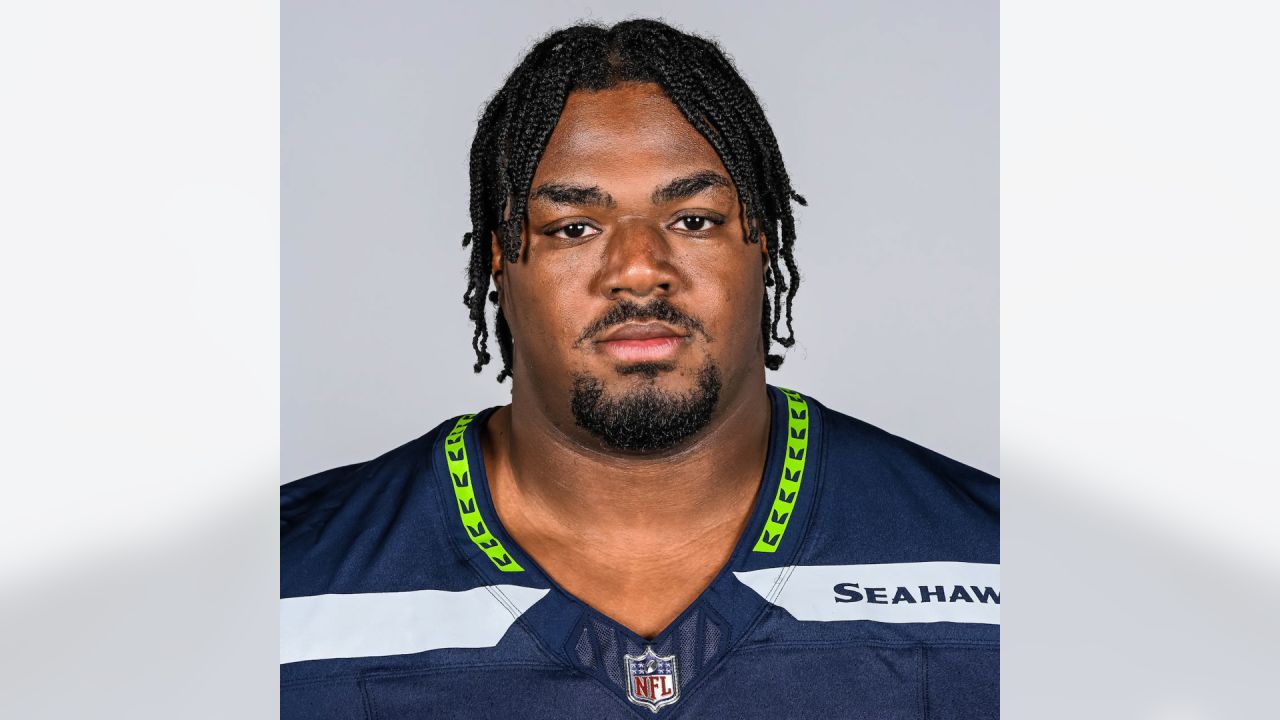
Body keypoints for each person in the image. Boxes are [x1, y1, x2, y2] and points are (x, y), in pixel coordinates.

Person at [282, 18, 998, 718]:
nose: (637, 270)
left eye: (693, 220)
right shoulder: (284, 591)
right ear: (500, 255)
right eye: (574, 228)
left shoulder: (995, 567)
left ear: (766, 242)